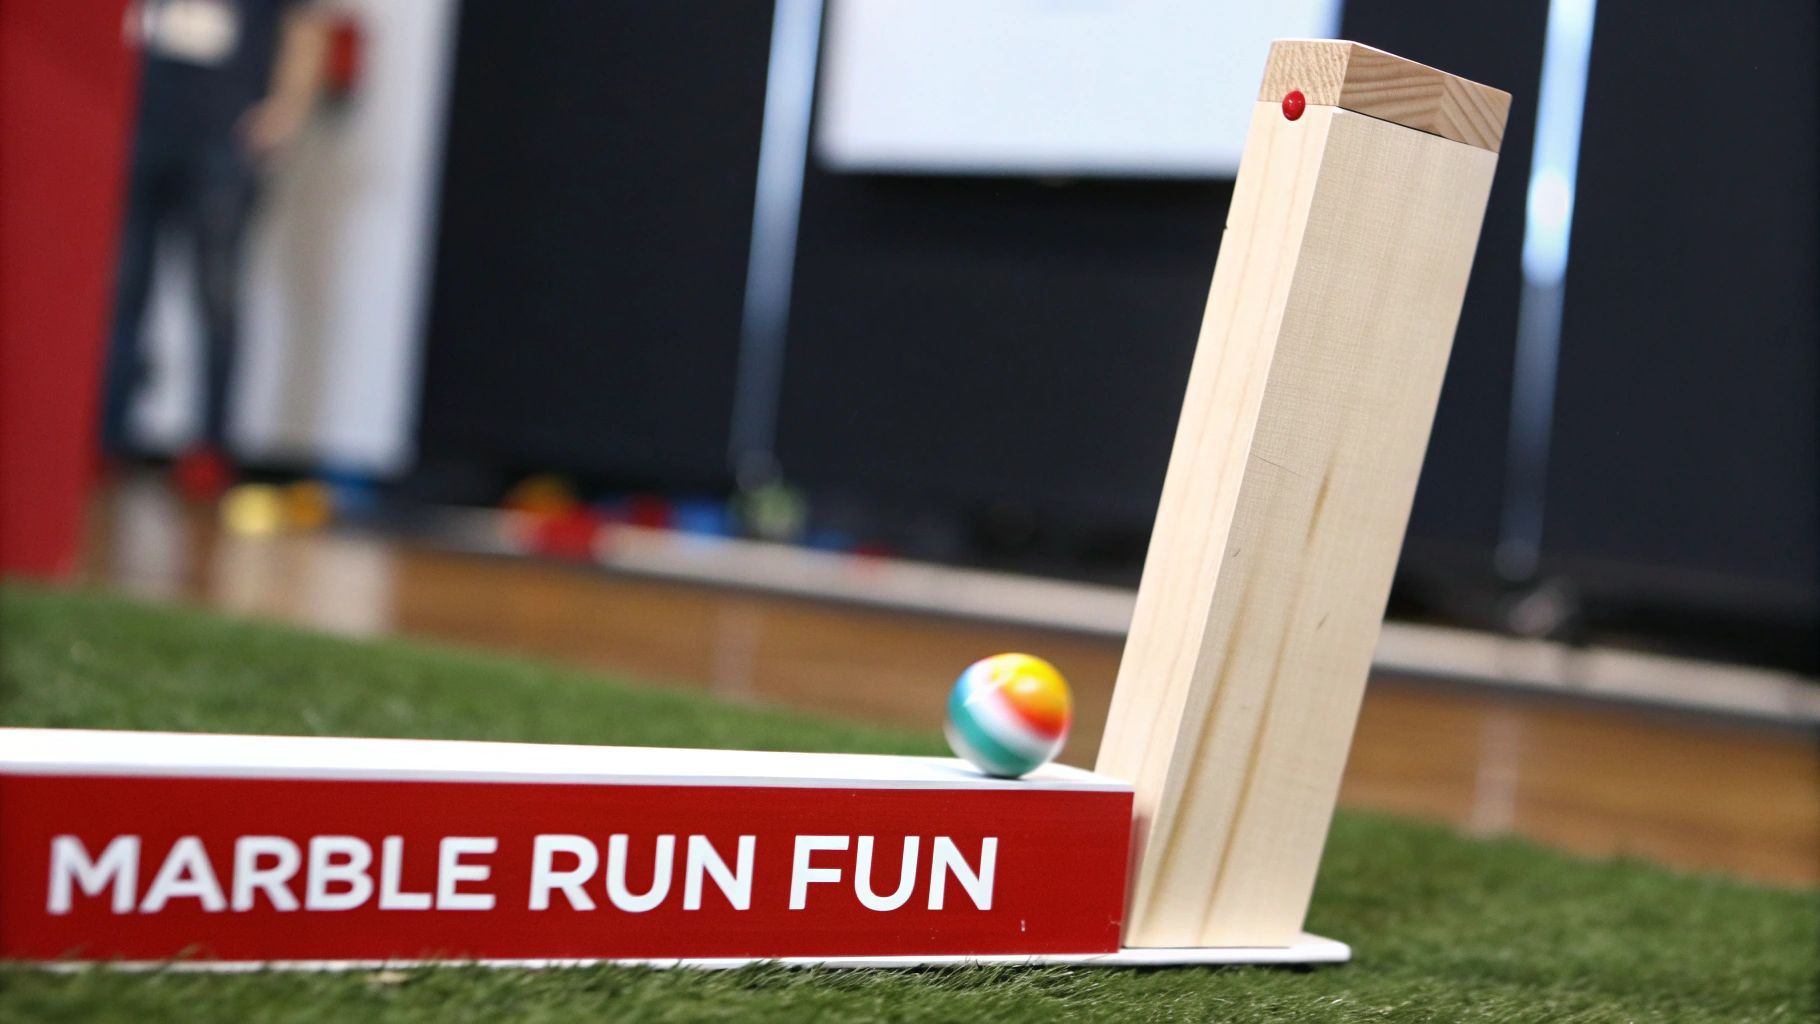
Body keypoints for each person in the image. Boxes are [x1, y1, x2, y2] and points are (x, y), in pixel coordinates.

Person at [99, 0, 328, 494]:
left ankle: (212, 446)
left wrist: (287, 109)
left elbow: (307, 25)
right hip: (143, 117)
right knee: (122, 286)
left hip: (224, 129)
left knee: (216, 294)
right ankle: (105, 434)